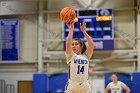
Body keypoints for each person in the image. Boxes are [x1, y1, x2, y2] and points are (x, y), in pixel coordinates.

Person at [64, 21, 94, 93]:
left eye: (76, 44)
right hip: (72, 84)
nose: (73, 46)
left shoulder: (86, 56)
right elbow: (68, 45)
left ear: (81, 46)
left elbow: (91, 45)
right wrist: (71, 30)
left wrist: (84, 32)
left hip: (85, 85)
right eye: (72, 44)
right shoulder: (70, 56)